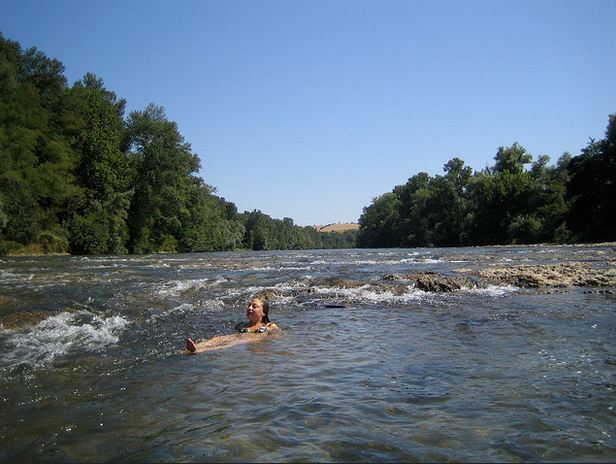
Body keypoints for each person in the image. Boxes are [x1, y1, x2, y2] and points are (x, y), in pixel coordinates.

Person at [184, 296, 280, 355]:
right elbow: (231, 335)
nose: (249, 308)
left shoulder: (270, 326)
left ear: (264, 312)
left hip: (250, 341)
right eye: (249, 306)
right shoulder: (241, 325)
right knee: (219, 339)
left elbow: (280, 336)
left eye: (254, 306)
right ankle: (195, 346)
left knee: (230, 344)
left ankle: (198, 351)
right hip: (238, 338)